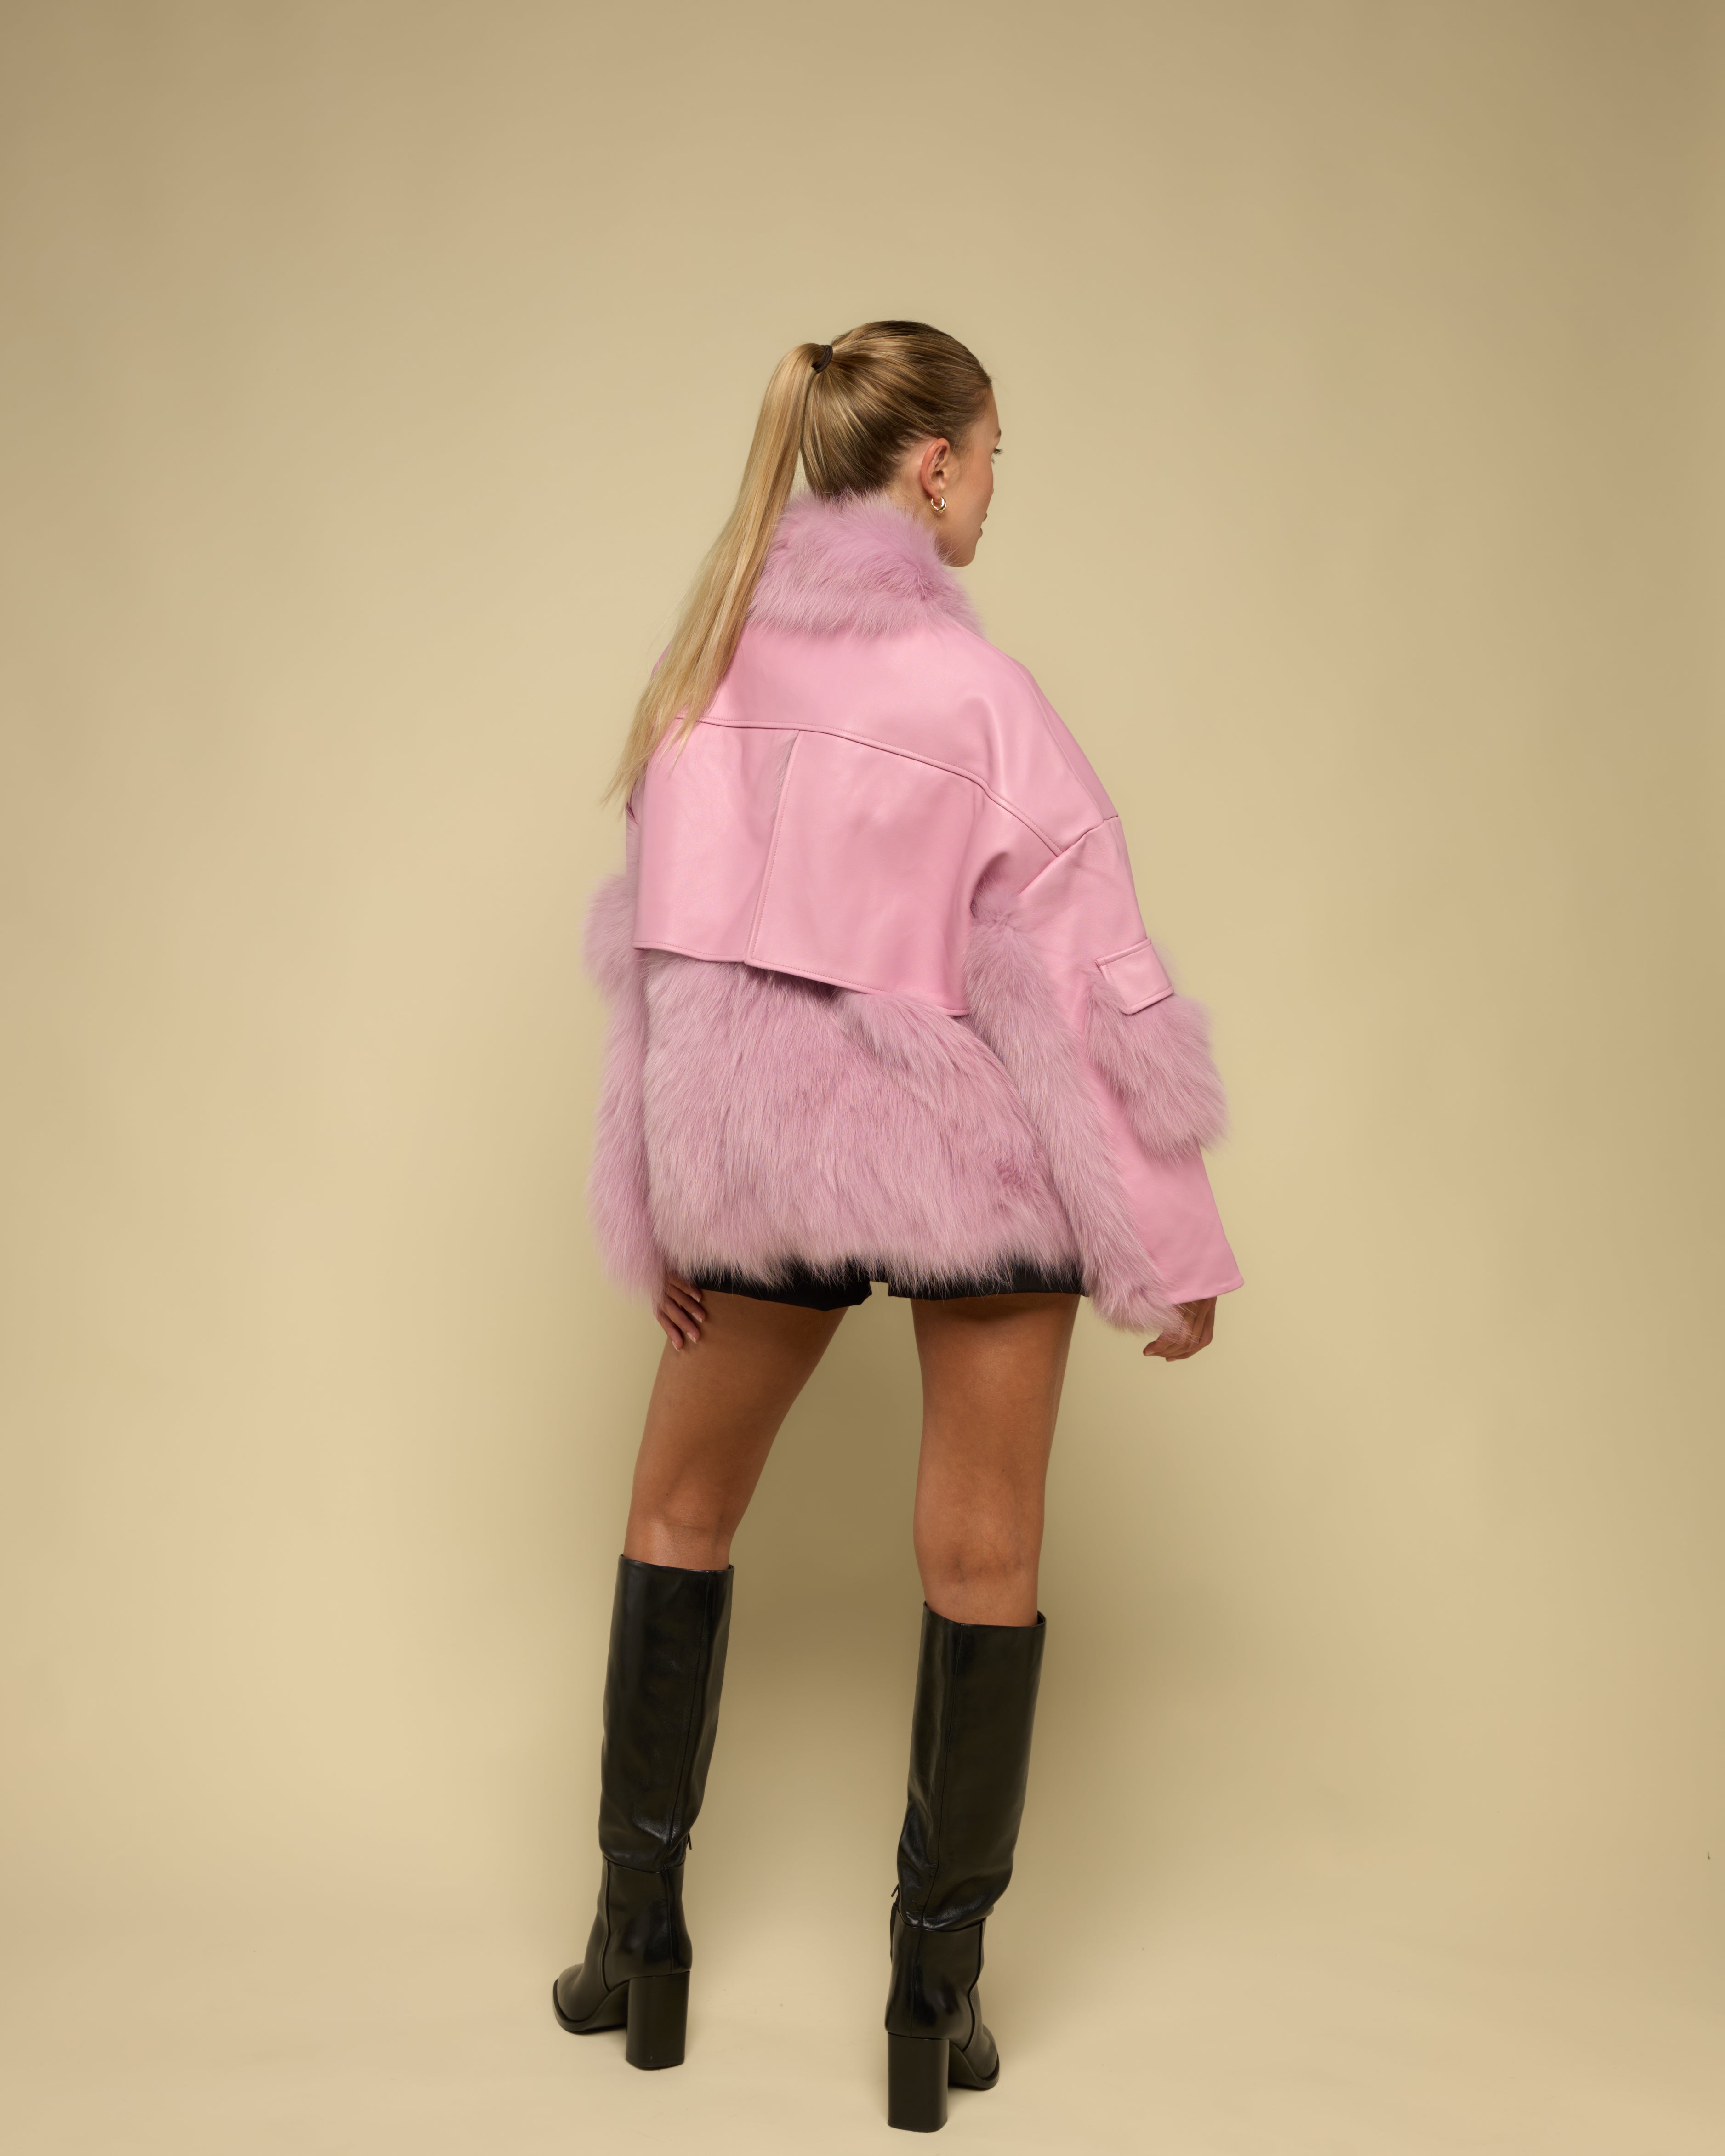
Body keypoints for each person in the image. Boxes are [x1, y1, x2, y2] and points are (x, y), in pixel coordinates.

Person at [551, 321, 1241, 2132]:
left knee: (678, 1512)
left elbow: (663, 968)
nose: (999, 490)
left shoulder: (703, 670)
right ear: (931, 465)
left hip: (761, 1157)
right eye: (995, 455)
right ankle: (933, 2004)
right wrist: (1165, 1246)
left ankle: (637, 1949)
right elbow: (1090, 985)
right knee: (984, 1555)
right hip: (973, 1153)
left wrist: (668, 1192)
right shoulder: (982, 699)